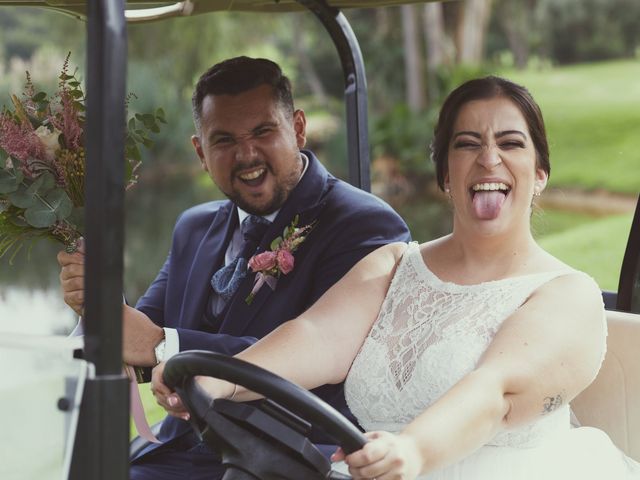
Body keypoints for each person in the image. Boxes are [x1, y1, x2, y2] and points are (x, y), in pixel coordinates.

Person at [154, 76, 640, 479]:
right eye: (466, 144)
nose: (488, 159)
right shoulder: (392, 266)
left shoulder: (566, 294)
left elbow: (493, 393)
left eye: (510, 143)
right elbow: (314, 336)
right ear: (446, 175)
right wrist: (212, 383)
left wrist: (412, 452)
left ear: (539, 174)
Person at [57, 56, 411, 480]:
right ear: (200, 152)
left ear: (297, 128)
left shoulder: (362, 224)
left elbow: (313, 355)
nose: (246, 154)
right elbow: (142, 331)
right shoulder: (194, 226)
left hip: (285, 459)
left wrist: (157, 343)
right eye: (223, 140)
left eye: (263, 132)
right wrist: (97, 301)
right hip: (173, 454)